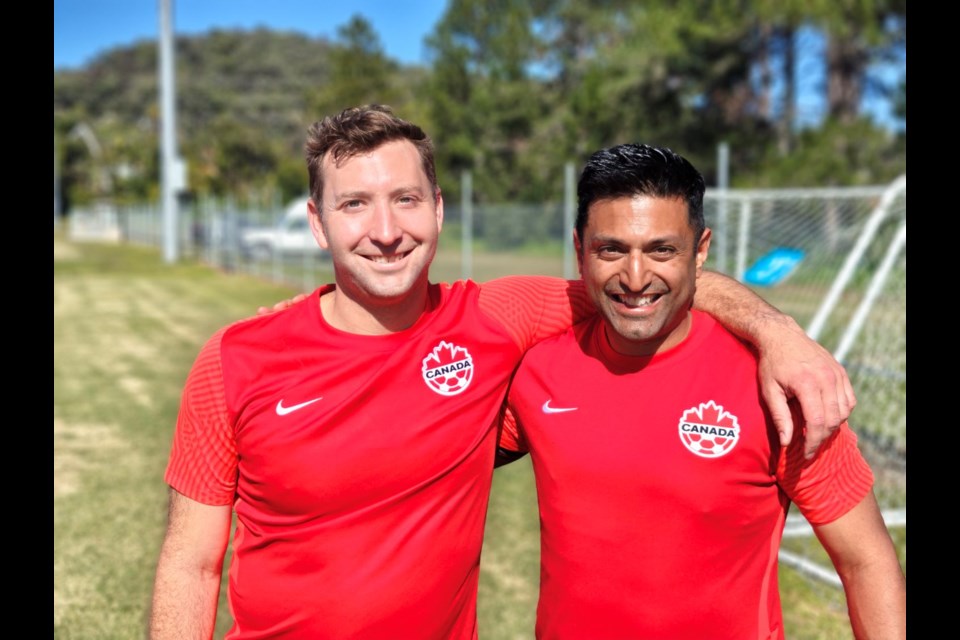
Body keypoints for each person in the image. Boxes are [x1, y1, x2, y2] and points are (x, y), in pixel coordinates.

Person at [149, 106, 856, 639]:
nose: (386, 229)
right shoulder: (234, 361)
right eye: (355, 204)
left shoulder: (494, 320)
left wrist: (773, 328)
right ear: (317, 222)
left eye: (405, 199)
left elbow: (643, 279)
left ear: (438, 209)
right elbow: (192, 564)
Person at [498, 143, 906, 639]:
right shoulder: (540, 370)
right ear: (580, 249)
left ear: (701, 250)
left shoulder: (776, 389)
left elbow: (866, 561)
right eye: (611, 249)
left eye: (662, 250)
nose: (635, 277)